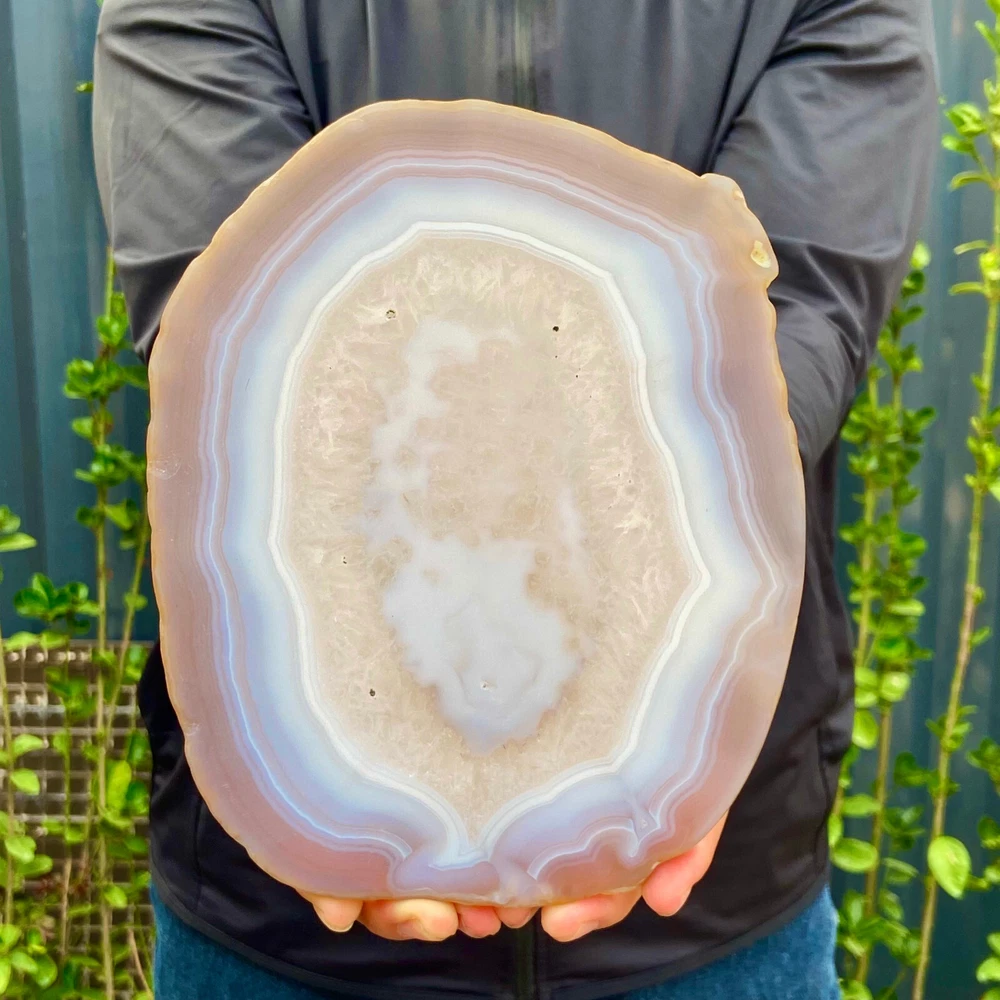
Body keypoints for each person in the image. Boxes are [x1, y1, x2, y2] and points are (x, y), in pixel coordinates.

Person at [91, 1, 938, 998]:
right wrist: (333, 779)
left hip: (710, 898)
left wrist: (653, 727)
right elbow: (225, 331)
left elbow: (798, 314)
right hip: (282, 907)